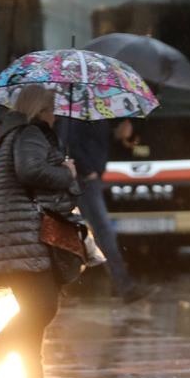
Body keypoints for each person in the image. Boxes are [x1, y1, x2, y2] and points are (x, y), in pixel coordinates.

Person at [0, 85, 80, 378]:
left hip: (16, 233)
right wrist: (65, 173)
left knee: (37, 308)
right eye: (51, 109)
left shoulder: (22, 133)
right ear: (41, 110)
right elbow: (30, 171)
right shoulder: (31, 133)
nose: (55, 115)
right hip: (23, 233)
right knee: (41, 307)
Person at [60, 116, 151, 303]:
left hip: (90, 179)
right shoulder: (79, 109)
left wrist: (116, 134)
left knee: (84, 232)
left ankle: (65, 288)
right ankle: (125, 287)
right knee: (103, 232)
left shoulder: (94, 111)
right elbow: (70, 142)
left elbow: (93, 140)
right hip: (85, 180)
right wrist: (87, 170)